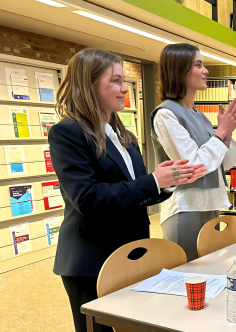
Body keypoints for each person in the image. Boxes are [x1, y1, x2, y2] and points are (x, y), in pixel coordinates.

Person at [49, 48, 206, 332]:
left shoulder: (123, 134)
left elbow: (135, 189)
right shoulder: (67, 132)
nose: (124, 89)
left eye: (124, 81)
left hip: (131, 252)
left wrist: (167, 183)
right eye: (116, 81)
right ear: (89, 85)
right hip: (91, 260)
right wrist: (153, 181)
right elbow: (87, 197)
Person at [151, 43, 236, 261]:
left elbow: (226, 163)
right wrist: (220, 134)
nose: (206, 71)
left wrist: (227, 135)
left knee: (210, 274)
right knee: (188, 279)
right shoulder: (165, 114)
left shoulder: (199, 115)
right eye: (198, 65)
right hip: (185, 208)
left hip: (211, 205)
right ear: (180, 70)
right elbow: (194, 165)